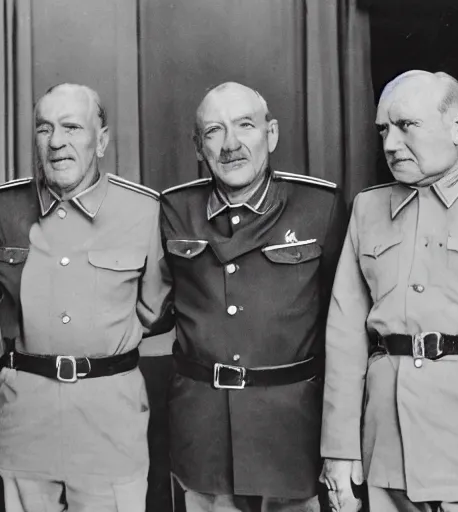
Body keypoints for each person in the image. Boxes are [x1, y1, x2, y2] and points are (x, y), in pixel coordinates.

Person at [320, 70, 458, 512]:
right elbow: (344, 339)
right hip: (387, 453)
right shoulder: (368, 209)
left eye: (406, 126)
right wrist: (339, 449)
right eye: (383, 130)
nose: (391, 144)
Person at [0, 83, 171, 512]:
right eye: (44, 129)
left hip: (110, 428)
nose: (56, 142)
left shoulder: (144, 211)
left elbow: (157, 310)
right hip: (24, 423)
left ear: (100, 141)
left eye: (72, 127)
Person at [160, 82, 346, 512]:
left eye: (245, 126)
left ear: (272, 133)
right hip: (200, 435)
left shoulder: (321, 207)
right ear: (197, 145)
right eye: (213, 132)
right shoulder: (173, 211)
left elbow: (347, 326)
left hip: (292, 435)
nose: (231, 145)